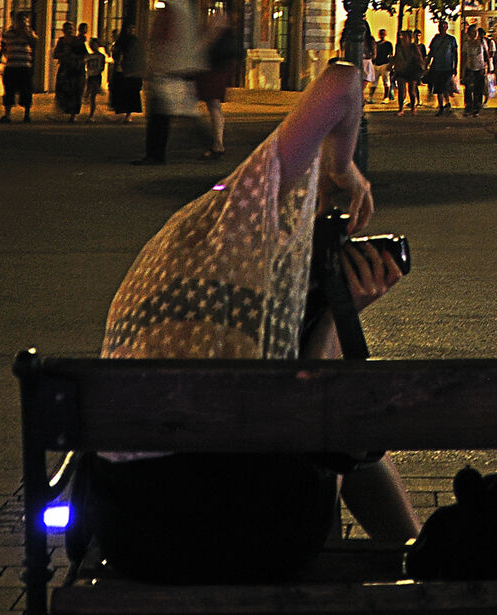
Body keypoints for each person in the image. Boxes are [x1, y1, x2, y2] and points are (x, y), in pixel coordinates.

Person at [78, 63, 418, 582]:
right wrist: (342, 167)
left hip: (133, 535)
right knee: (352, 446)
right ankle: (417, 559)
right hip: (257, 538)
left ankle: (415, 555)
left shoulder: (193, 254)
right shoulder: (253, 210)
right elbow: (342, 80)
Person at [134, 0, 205, 166]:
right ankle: (157, 153)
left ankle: (155, 154)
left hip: (166, 69)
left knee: (159, 115)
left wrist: (153, 65)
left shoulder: (171, 9)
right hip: (177, 69)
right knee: (168, 113)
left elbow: (162, 39)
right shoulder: (186, 7)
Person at [195, 9, 243, 159]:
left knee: (213, 106)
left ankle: (217, 143)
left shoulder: (217, 33)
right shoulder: (228, 35)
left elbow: (201, 47)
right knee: (214, 106)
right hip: (217, 71)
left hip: (213, 71)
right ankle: (217, 141)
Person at [0, 12, 41, 122]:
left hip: (25, 66)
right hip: (11, 66)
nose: (23, 23)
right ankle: (7, 115)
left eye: (25, 20)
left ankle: (27, 114)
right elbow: (3, 48)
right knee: (9, 90)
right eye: (20, 20)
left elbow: (35, 43)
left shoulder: (29, 33)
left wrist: (26, 33)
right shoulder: (8, 34)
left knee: (26, 91)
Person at [55, 22, 90, 121]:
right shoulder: (61, 41)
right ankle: (64, 110)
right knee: (63, 90)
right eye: (66, 29)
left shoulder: (78, 41)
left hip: (77, 69)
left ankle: (73, 114)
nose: (69, 31)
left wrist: (76, 58)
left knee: (76, 92)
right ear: (63, 30)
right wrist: (64, 54)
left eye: (70, 28)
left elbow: (85, 54)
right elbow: (55, 54)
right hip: (65, 69)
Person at [109, 27, 145, 121]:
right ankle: (120, 112)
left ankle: (128, 114)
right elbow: (115, 54)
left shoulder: (136, 41)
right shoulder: (121, 41)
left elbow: (140, 56)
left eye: (133, 28)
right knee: (120, 91)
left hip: (131, 70)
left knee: (131, 93)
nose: (131, 30)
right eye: (129, 28)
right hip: (120, 69)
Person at [426, 21, 458, 115]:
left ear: (447, 27)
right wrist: (427, 63)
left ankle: (447, 103)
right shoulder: (436, 39)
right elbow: (431, 52)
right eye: (440, 27)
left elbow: (455, 54)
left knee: (445, 86)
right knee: (439, 88)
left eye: (443, 27)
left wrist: (455, 66)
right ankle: (441, 106)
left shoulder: (451, 39)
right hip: (437, 67)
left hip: (447, 67)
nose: (442, 28)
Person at [390, 30, 425, 116]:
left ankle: (413, 107)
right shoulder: (399, 47)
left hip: (412, 70)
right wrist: (392, 65)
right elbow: (396, 57)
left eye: (404, 37)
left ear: (409, 38)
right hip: (401, 70)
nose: (402, 38)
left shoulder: (414, 47)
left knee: (411, 90)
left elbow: (419, 58)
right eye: (402, 36)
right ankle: (401, 109)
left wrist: (421, 67)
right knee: (401, 90)